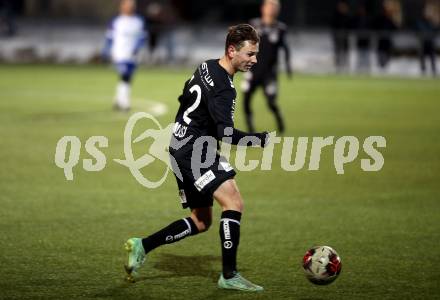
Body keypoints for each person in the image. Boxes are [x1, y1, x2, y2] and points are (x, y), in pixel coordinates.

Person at [124, 24, 269, 292]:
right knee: (233, 201)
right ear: (231, 50)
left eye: (256, 54)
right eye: (249, 54)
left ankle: (142, 245)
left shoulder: (206, 66)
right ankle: (229, 275)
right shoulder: (226, 88)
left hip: (178, 144)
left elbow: (186, 97)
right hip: (194, 150)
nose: (254, 60)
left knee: (202, 221)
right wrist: (258, 140)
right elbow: (225, 133)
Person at [241, 0, 291, 134]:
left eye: (274, 7)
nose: (271, 9)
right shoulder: (253, 25)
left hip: (269, 73)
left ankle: (279, 118)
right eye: (269, 6)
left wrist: (288, 67)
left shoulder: (281, 28)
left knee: (270, 102)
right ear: (263, 8)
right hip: (252, 71)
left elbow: (285, 48)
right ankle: (250, 129)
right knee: (246, 99)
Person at [102, 0, 147, 111]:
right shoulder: (116, 21)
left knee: (128, 76)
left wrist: (137, 47)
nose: (130, 7)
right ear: (122, 7)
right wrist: (106, 51)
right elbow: (109, 37)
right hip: (119, 53)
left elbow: (142, 37)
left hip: (133, 54)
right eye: (128, 5)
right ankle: (124, 102)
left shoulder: (138, 21)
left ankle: (118, 100)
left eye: (132, 5)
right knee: (125, 74)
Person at [417, 0, 439, 76]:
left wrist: (436, 23)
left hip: (430, 42)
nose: (429, 13)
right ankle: (423, 70)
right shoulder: (421, 21)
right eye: (427, 11)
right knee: (422, 53)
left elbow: (436, 31)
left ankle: (433, 70)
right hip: (423, 41)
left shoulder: (433, 22)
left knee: (432, 55)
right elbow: (419, 30)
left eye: (430, 11)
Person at [331, 0, 352, 72]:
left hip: (345, 38)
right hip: (338, 38)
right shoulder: (336, 16)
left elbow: (350, 27)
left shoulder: (347, 17)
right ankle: (338, 68)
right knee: (338, 52)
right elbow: (333, 26)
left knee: (345, 52)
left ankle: (346, 67)